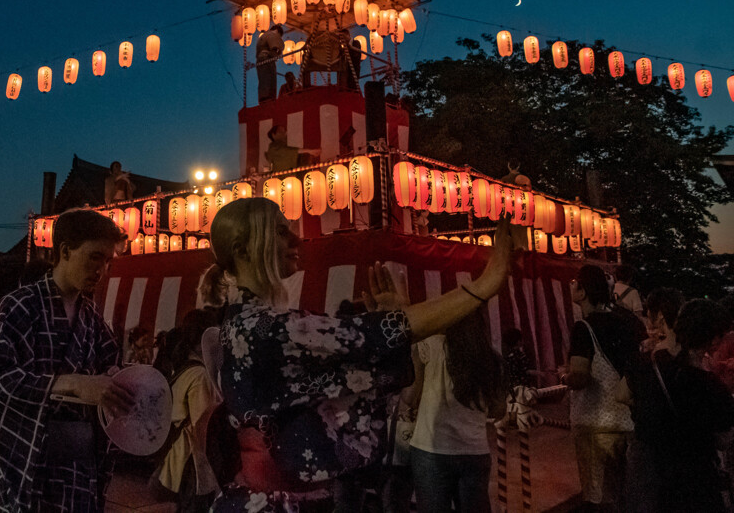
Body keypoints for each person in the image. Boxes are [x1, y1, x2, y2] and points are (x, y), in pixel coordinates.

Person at [198, 198, 513, 512]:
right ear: (242, 250)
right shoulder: (263, 329)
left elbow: (360, 352)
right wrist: (483, 285)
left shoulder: (248, 323)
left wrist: (390, 329)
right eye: (281, 231)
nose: (296, 239)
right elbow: (365, 337)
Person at [0, 209, 135, 512]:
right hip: (30, 463)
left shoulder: (92, 317)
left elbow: (108, 370)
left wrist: (120, 381)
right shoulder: (19, 306)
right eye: (95, 257)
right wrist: (71, 384)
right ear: (64, 251)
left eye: (107, 261)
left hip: (81, 468)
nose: (102, 269)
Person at [617, 299, 734, 513]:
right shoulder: (710, 386)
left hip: (653, 481)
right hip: (696, 484)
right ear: (713, 341)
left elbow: (623, 396)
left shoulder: (645, 365)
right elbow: (723, 439)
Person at [407, 310, 505, 513]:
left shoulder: (430, 346)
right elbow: (499, 411)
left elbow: (410, 397)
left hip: (431, 450)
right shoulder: (491, 357)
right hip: (475, 452)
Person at [562, 265, 643, 512]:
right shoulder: (627, 321)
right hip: (629, 420)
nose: (571, 287)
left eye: (575, 283)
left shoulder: (583, 328)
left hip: (595, 426)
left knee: (600, 498)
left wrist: (564, 377)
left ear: (583, 292)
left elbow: (581, 377)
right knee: (626, 493)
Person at [617, 287, 684, 513]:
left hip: (647, 443)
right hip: (684, 446)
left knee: (644, 501)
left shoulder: (646, 358)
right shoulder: (693, 356)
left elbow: (621, 395)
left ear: (660, 317)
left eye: (648, 313)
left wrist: (646, 404)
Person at [155, 308, 223, 512]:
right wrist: (211, 471)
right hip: (192, 462)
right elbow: (202, 426)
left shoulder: (185, 369)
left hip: (178, 459)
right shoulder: (200, 375)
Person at [255, 25, 284, 104]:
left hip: (260, 60)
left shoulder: (263, 37)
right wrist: (277, 54)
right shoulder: (272, 34)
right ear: (277, 31)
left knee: (263, 80)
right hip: (267, 59)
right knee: (269, 79)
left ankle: (263, 98)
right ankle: (269, 98)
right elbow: (275, 47)